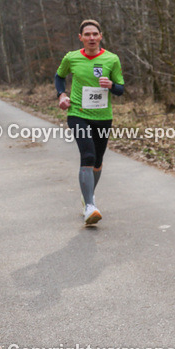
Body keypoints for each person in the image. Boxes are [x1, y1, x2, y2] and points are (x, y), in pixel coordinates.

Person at [55, 20, 125, 226]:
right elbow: (59, 77)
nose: (91, 38)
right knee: (88, 155)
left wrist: (112, 85)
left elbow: (121, 89)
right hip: (78, 113)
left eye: (95, 34)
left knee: (98, 161)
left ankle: (88, 198)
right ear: (81, 38)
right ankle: (90, 207)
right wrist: (61, 95)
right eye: (87, 34)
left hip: (103, 117)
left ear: (101, 36)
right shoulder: (72, 57)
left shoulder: (112, 59)